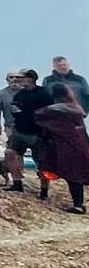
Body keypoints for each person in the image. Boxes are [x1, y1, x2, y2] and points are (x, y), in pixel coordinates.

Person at [34, 84, 89, 214]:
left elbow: (39, 116)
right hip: (80, 144)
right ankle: (78, 203)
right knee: (78, 174)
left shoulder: (56, 109)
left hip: (67, 146)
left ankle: (78, 205)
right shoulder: (77, 109)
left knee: (73, 175)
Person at [5, 69, 54, 192]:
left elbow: (50, 112)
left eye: (21, 78)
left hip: (38, 134)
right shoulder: (20, 94)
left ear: (30, 79)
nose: (18, 80)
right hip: (19, 132)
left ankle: (44, 190)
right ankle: (17, 184)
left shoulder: (44, 93)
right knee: (9, 153)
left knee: (42, 163)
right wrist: (14, 110)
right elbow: (14, 107)